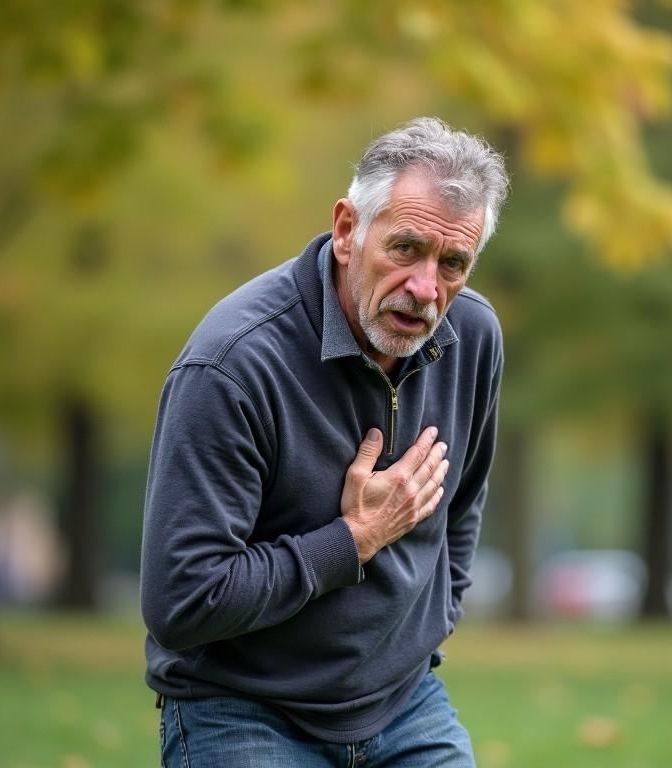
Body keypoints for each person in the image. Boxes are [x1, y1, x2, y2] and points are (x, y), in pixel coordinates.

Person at [140, 117, 508, 767]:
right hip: (243, 709)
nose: (427, 290)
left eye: (453, 263)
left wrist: (430, 621)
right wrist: (353, 541)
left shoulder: (473, 337)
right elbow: (183, 600)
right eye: (405, 249)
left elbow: (463, 505)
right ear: (347, 232)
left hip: (404, 704)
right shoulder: (234, 364)